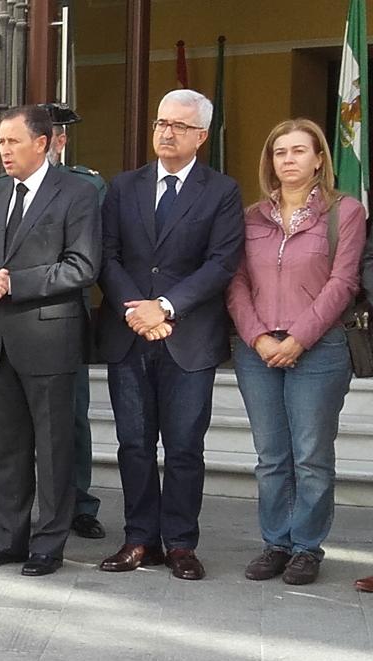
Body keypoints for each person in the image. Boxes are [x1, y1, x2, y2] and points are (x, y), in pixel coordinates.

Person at [97, 90, 244, 582]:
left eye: (179, 126)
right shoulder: (124, 186)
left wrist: (164, 306)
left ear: (201, 135)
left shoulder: (221, 191)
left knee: (183, 447)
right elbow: (109, 256)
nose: (165, 132)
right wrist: (139, 311)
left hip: (188, 339)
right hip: (130, 335)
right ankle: (140, 539)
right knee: (134, 445)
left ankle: (180, 543)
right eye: (161, 122)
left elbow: (222, 263)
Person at [0, 105, 100, 577]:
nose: (4, 150)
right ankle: (8, 539)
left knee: (54, 448)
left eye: (13, 142)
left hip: (48, 340)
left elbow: (81, 266)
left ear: (42, 142)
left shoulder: (77, 192)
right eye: (0, 142)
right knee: (5, 447)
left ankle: (48, 543)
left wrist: (15, 283)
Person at [226, 119, 364, 585]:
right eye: (279, 152)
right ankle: (275, 543)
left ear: (319, 158)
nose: (288, 160)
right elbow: (236, 283)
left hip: (319, 348)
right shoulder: (250, 217)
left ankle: (306, 547)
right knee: (270, 455)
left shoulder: (344, 212)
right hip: (257, 350)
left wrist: (299, 339)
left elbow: (342, 283)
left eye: (299, 151)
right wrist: (259, 338)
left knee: (310, 455)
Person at [41, 102, 107, 541]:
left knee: (72, 414)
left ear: (59, 142)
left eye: (51, 137)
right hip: (14, 313)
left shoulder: (87, 186)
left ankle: (79, 502)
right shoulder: (0, 187)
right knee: (16, 418)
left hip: (65, 311)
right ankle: (19, 501)